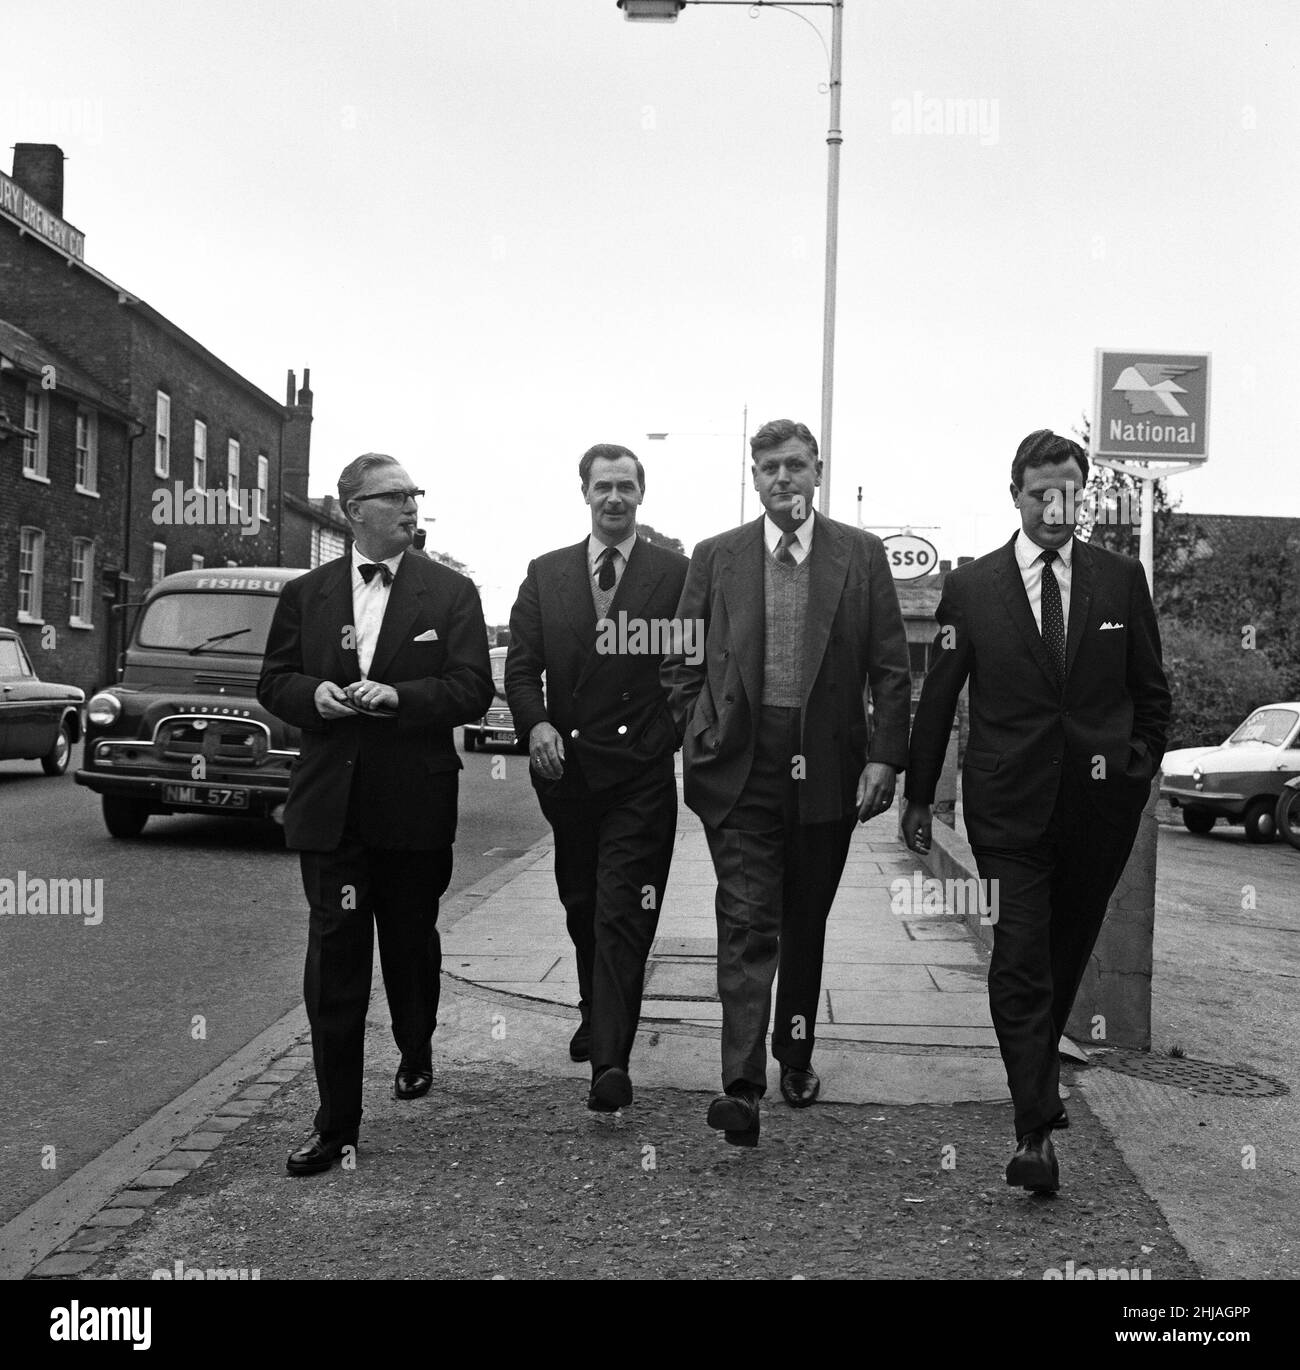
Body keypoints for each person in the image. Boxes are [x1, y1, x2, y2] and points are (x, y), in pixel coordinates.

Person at [902, 429, 1171, 1194]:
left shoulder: (1120, 581)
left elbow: (1151, 697)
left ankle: (1034, 1098)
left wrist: (1133, 771)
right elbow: (940, 697)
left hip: (1098, 812)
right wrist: (920, 795)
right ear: (1015, 494)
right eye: (1039, 491)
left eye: (1068, 492)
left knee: (1060, 957)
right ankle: (1035, 1131)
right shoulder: (973, 588)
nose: (1054, 505)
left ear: (1080, 497)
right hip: (1008, 811)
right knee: (1020, 956)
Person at [662, 419, 912, 1146]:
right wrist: (698, 730)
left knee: (804, 919)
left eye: (795, 466)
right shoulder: (717, 557)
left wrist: (884, 758)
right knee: (746, 921)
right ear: (755, 476)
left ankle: (794, 1052)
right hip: (741, 767)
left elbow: (891, 668)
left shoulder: (861, 556)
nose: (782, 478)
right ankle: (741, 1086)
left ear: (818, 472)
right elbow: (679, 660)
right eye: (769, 467)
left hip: (830, 766)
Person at [258, 453, 493, 1175]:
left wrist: (400, 700)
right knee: (335, 963)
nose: (411, 507)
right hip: (334, 809)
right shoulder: (307, 593)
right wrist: (314, 698)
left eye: (415, 495)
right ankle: (337, 1125)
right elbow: (274, 680)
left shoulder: (451, 593)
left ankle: (415, 1041)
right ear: (354, 509)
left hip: (414, 806)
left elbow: (472, 688)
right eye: (395, 497)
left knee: (410, 941)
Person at [505, 445, 689, 1114]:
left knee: (622, 912)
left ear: (642, 493)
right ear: (584, 492)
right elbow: (522, 668)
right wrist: (537, 727)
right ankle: (595, 1007)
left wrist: (666, 733)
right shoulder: (546, 573)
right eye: (603, 486)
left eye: (626, 486)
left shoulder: (674, 574)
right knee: (582, 903)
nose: (615, 498)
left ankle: (611, 1062)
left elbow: (691, 667)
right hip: (568, 774)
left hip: (639, 774)